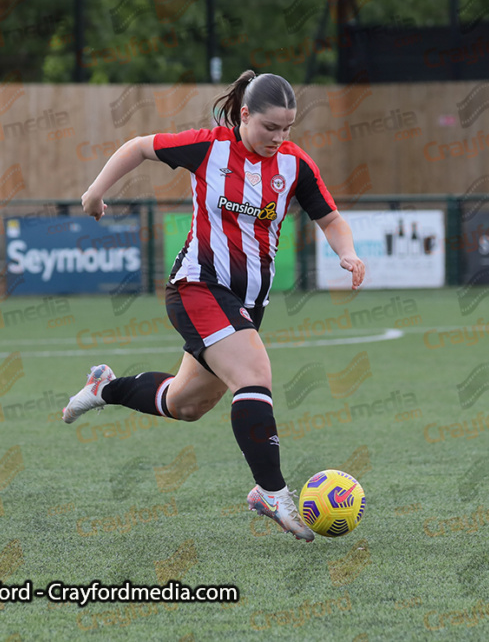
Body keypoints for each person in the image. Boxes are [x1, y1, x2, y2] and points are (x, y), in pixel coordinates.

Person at [63, 70, 366, 542]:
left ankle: (105, 388)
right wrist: (94, 192)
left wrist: (346, 251)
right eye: (270, 127)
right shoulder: (210, 147)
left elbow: (330, 218)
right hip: (197, 285)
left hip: (247, 303)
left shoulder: (295, 164)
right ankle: (271, 492)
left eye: (288, 128)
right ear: (244, 115)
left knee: (185, 405)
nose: (279, 138)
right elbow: (140, 145)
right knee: (253, 375)